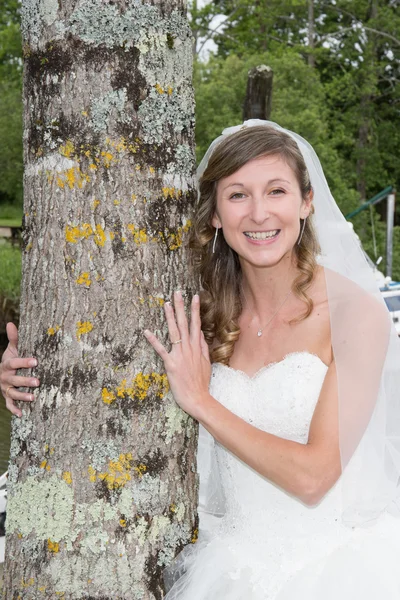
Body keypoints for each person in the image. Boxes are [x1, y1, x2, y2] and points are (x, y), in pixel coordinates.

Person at [2, 120, 400, 598]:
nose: (258, 213)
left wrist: (202, 401)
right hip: (229, 566)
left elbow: (314, 477)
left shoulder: (355, 314)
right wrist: (27, 374)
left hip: (333, 570)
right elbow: (98, 365)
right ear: (214, 213)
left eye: (276, 191)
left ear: (306, 202)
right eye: (237, 195)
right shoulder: (202, 310)